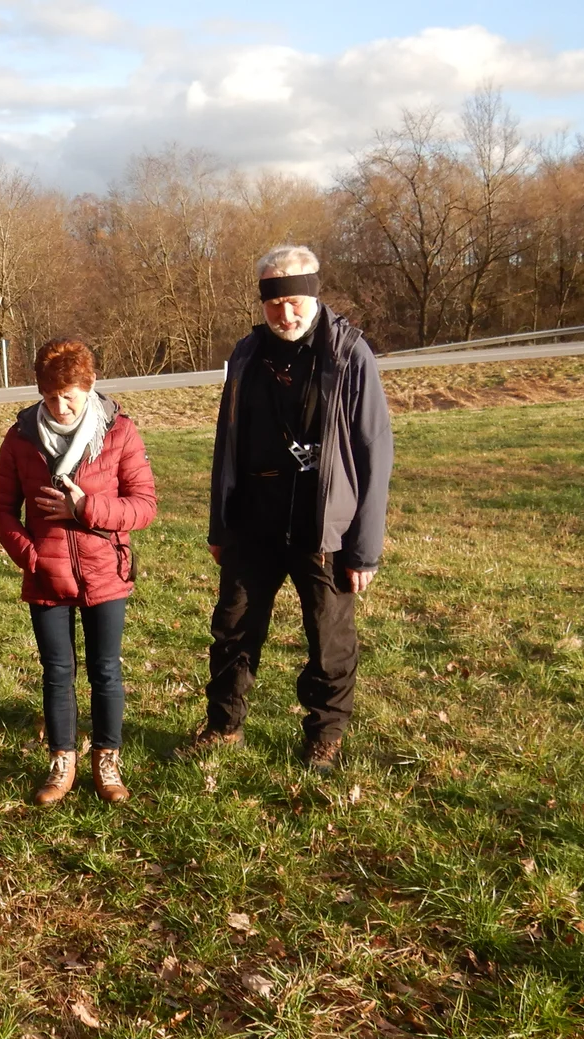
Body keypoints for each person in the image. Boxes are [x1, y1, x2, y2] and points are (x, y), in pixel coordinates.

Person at [184, 244, 394, 775]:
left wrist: (363, 550)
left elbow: (375, 452)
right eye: (274, 304)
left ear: (314, 295)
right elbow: (224, 445)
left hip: (323, 526)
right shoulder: (248, 355)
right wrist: (219, 525)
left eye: (296, 300)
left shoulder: (349, 354)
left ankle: (325, 735)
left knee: (329, 638)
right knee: (232, 629)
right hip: (253, 519)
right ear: (262, 304)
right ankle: (223, 726)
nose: (286, 314)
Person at [0, 339, 157, 805]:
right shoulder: (20, 438)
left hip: (106, 573)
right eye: (49, 397)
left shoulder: (120, 433)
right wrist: (30, 554)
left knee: (106, 670)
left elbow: (143, 507)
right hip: (47, 576)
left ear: (90, 386)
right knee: (56, 671)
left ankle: (107, 759)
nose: (60, 407)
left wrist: (87, 508)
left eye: (70, 396)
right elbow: (1, 510)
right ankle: (62, 760)